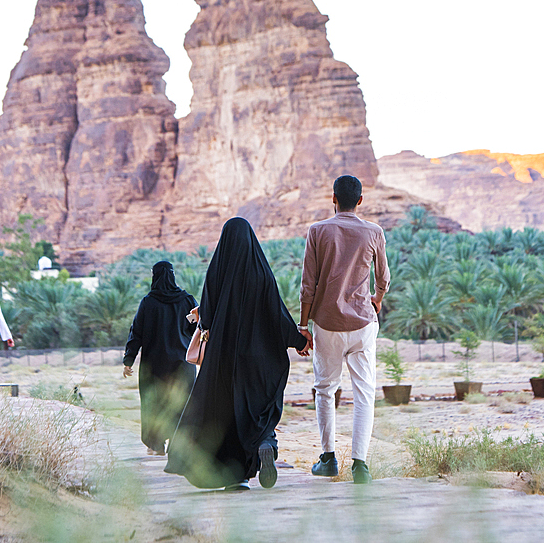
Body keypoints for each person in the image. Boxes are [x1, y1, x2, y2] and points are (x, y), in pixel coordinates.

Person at [165, 218, 310, 490]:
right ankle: (266, 442)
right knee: (260, 407)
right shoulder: (261, 273)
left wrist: (204, 320)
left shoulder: (217, 271)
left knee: (228, 413)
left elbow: (206, 314)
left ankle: (236, 476)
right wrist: (297, 339)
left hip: (225, 359)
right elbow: (277, 313)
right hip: (261, 360)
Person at [300, 175, 390, 485]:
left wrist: (303, 324)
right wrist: (376, 300)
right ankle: (360, 464)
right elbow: (384, 278)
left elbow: (307, 286)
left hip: (327, 324)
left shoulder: (317, 231)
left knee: (325, 389)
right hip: (363, 323)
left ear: (333, 198)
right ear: (360, 201)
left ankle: (328, 459)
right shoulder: (374, 232)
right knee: (364, 393)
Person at [122, 261, 198, 455]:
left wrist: (128, 360)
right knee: (182, 404)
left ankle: (156, 446)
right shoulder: (187, 300)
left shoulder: (149, 302)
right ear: (172, 275)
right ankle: (179, 445)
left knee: (154, 403)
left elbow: (136, 332)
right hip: (183, 363)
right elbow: (199, 327)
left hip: (155, 365)